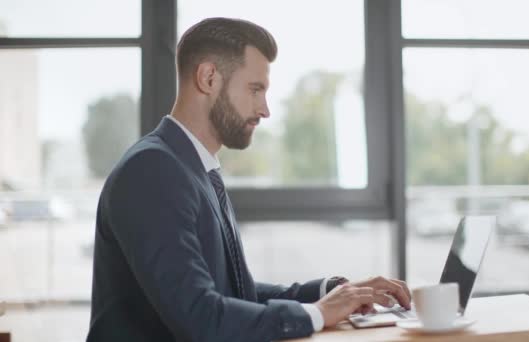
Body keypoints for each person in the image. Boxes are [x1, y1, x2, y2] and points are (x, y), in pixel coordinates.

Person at [86, 17, 411, 342]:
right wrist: (319, 314)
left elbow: (232, 294)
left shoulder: (193, 167)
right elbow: (201, 317)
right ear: (209, 78)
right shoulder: (152, 170)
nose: (265, 109)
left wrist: (334, 293)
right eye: (255, 90)